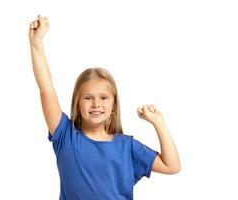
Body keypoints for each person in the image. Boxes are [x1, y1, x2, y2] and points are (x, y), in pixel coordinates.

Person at [29, 15, 181, 200]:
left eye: (103, 98)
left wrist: (159, 123)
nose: (96, 104)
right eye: (88, 98)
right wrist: (36, 43)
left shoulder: (127, 146)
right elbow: (47, 89)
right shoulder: (65, 136)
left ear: (113, 106)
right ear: (77, 104)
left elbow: (172, 166)